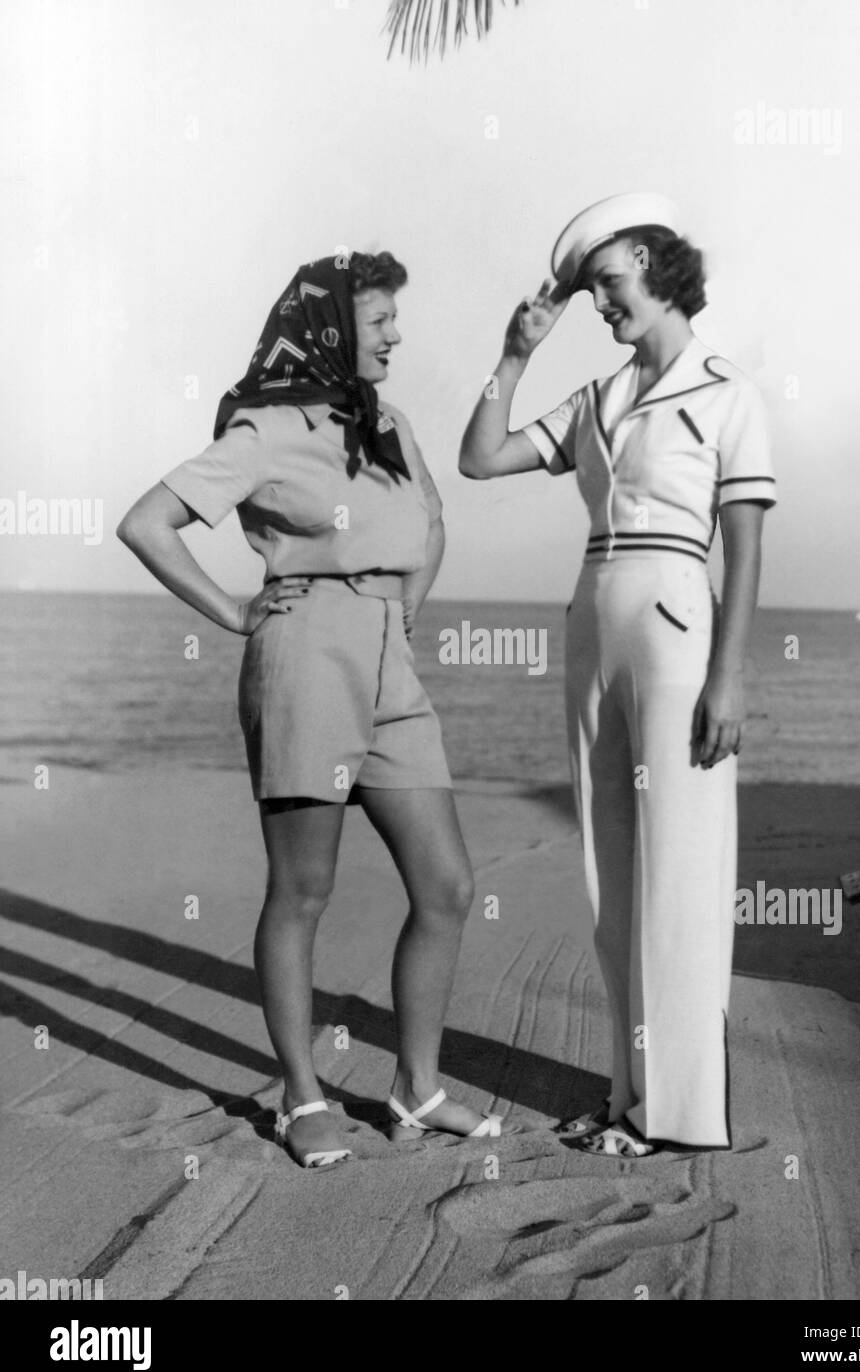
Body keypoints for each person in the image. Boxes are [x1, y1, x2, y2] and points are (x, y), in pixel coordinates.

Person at [118, 251, 511, 1168]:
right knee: (304, 890)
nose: (396, 336)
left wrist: (401, 613)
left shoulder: (389, 423)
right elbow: (147, 522)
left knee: (449, 885)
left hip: (389, 659)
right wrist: (232, 610)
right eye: (379, 321)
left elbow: (433, 521)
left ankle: (416, 1090)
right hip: (304, 654)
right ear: (333, 325)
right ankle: (301, 1097)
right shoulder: (264, 429)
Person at [460, 193, 777, 1156]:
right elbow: (481, 459)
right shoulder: (597, 399)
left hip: (679, 634)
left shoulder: (729, 393)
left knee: (680, 872)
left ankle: (683, 1114)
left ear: (651, 260)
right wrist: (514, 358)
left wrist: (729, 677)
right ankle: (629, 1094)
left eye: (608, 283)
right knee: (613, 879)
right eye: (593, 291)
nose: (601, 305)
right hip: (592, 630)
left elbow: (745, 546)